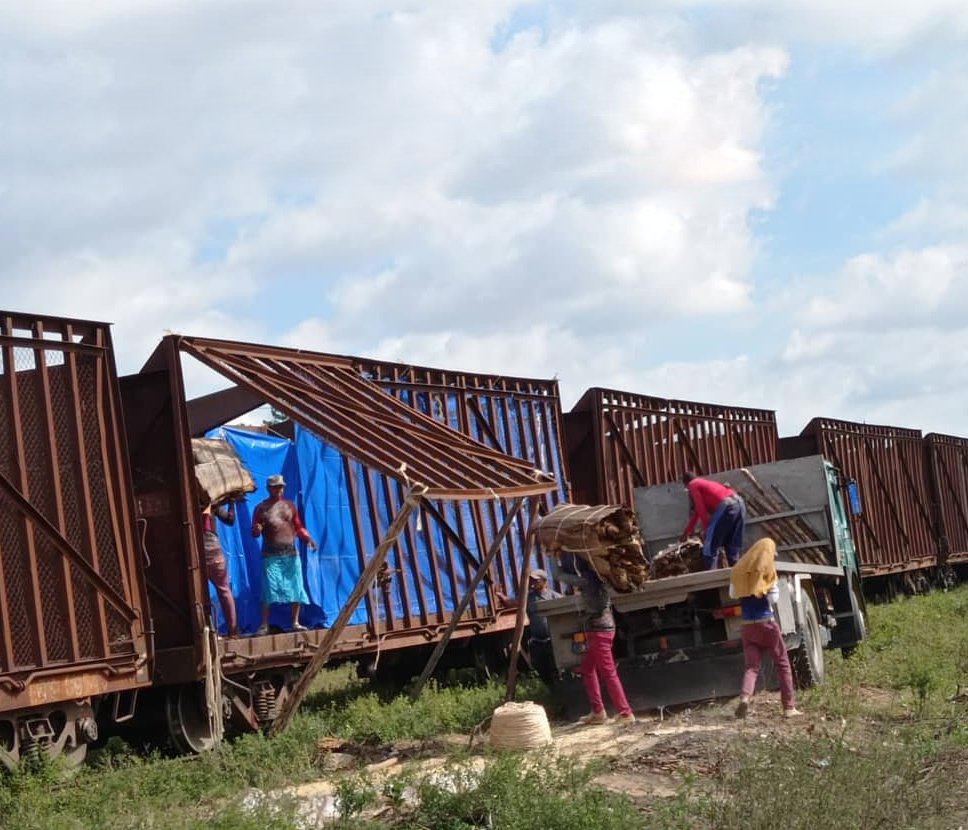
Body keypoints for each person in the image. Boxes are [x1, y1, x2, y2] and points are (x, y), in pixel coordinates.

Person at [551, 553, 635, 726]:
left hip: (600, 631)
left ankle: (625, 713)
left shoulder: (590, 580)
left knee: (608, 672)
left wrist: (552, 554)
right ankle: (598, 712)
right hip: (598, 629)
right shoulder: (598, 576)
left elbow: (558, 575)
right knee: (587, 668)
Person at [729, 537, 801, 719]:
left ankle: (745, 698)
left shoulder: (738, 571)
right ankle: (789, 707)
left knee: (751, 667)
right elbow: (773, 599)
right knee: (782, 663)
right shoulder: (768, 571)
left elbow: (732, 593)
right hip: (766, 624)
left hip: (747, 627)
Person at [251, 474, 317, 634]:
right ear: (268, 489)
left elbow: (298, 526)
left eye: (281, 486)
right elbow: (254, 532)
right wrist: (257, 529)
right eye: (275, 487)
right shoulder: (261, 508)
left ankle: (295, 622)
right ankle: (264, 624)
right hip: (270, 555)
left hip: (290, 554)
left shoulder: (290, 506)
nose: (278, 489)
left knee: (296, 587)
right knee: (269, 589)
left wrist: (307, 538)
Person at [496, 569, 562, 686]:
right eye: (532, 580)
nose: (532, 583)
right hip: (537, 641)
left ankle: (560, 691)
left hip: (552, 641)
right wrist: (501, 596)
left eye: (536, 580)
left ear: (544, 581)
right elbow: (512, 603)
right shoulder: (528, 597)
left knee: (556, 669)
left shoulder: (554, 596)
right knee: (541, 669)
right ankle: (552, 690)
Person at [680, 472, 747, 569]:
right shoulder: (704, 483)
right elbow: (696, 513)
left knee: (710, 547)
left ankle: (711, 578)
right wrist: (687, 532)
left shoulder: (693, 484)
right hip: (739, 503)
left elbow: (700, 508)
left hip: (726, 505)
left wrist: (707, 528)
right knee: (732, 546)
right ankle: (736, 577)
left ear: (686, 483)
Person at [201, 499, 240, 637]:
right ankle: (233, 631)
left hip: (194, 551)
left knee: (198, 593)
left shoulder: (194, 503)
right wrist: (231, 503)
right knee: (224, 590)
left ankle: (205, 632)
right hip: (213, 550)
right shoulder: (212, 505)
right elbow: (230, 520)